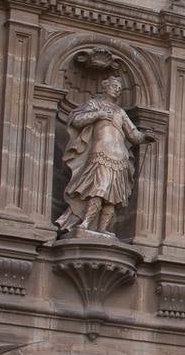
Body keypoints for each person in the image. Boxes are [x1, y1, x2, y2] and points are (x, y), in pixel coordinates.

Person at [56, 75, 151, 235]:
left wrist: (145, 137)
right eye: (114, 86)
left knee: (113, 195)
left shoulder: (120, 112)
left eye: (119, 88)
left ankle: (102, 228)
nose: (117, 90)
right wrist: (97, 114)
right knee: (98, 189)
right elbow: (76, 119)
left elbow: (133, 134)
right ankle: (85, 223)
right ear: (104, 86)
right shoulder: (95, 104)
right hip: (100, 153)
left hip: (120, 157)